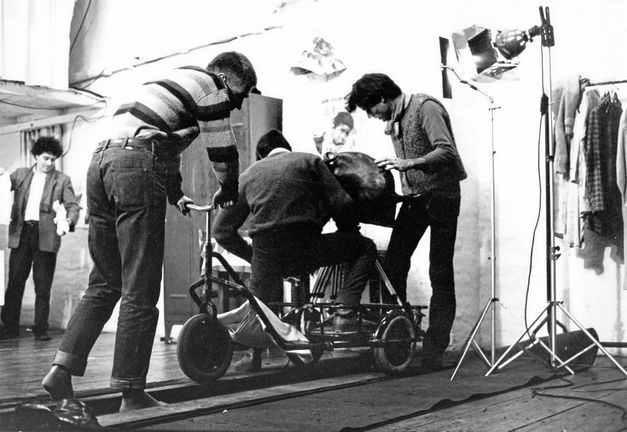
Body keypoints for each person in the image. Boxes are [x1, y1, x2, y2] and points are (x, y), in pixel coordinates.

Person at [42, 51, 258, 411]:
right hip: (136, 166)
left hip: (99, 163)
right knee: (140, 286)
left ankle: (60, 370)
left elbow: (163, 145)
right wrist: (229, 188)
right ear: (229, 78)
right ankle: (132, 392)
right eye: (244, 92)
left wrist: (175, 193)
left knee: (105, 281)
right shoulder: (212, 87)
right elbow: (220, 147)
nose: (238, 103)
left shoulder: (166, 84)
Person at [213, 129, 377, 371]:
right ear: (287, 147)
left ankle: (253, 357)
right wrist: (348, 230)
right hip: (307, 248)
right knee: (366, 248)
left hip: (267, 255)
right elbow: (341, 203)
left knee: (261, 303)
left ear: (261, 155)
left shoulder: (248, 175)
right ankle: (344, 309)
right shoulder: (310, 161)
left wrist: (255, 257)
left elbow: (222, 232)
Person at [346, 73, 467, 370]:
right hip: (416, 198)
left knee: (439, 270)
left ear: (384, 98)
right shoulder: (395, 119)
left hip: (442, 195)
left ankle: (435, 346)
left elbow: (447, 151)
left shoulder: (425, 107)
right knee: (395, 264)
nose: (372, 116)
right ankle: (398, 336)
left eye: (371, 109)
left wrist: (408, 163)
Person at [0, 137, 80, 342]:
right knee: (15, 283)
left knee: (42, 286)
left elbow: (73, 206)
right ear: (36, 156)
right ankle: (9, 328)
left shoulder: (62, 180)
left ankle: (41, 329)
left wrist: (68, 222)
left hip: (46, 236)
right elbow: (3, 184)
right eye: (46, 158)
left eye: (53, 160)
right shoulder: (20, 174)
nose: (49, 163)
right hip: (22, 233)